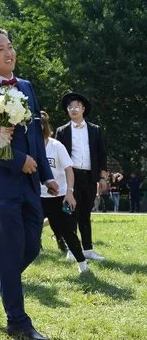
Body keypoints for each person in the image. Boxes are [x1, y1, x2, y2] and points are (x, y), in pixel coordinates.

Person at [0, 27, 57, 340]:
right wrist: (16, 161)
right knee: (9, 251)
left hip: (30, 183)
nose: (8, 52)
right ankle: (17, 321)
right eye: (0, 48)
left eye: (10, 46)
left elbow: (35, 140)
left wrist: (46, 175)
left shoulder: (27, 86)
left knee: (31, 247)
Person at [55, 92, 107, 260]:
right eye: (70, 107)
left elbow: (102, 154)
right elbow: (57, 156)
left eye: (77, 106)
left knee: (86, 213)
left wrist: (103, 177)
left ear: (83, 108)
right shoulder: (62, 131)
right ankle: (72, 250)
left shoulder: (95, 130)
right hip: (71, 176)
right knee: (71, 213)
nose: (74, 110)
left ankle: (88, 249)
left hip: (90, 176)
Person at [36, 114, 89, 273]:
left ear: (45, 128)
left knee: (67, 231)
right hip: (37, 196)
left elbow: (69, 170)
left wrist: (69, 193)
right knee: (29, 230)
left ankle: (82, 264)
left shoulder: (56, 146)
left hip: (58, 196)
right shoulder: (29, 147)